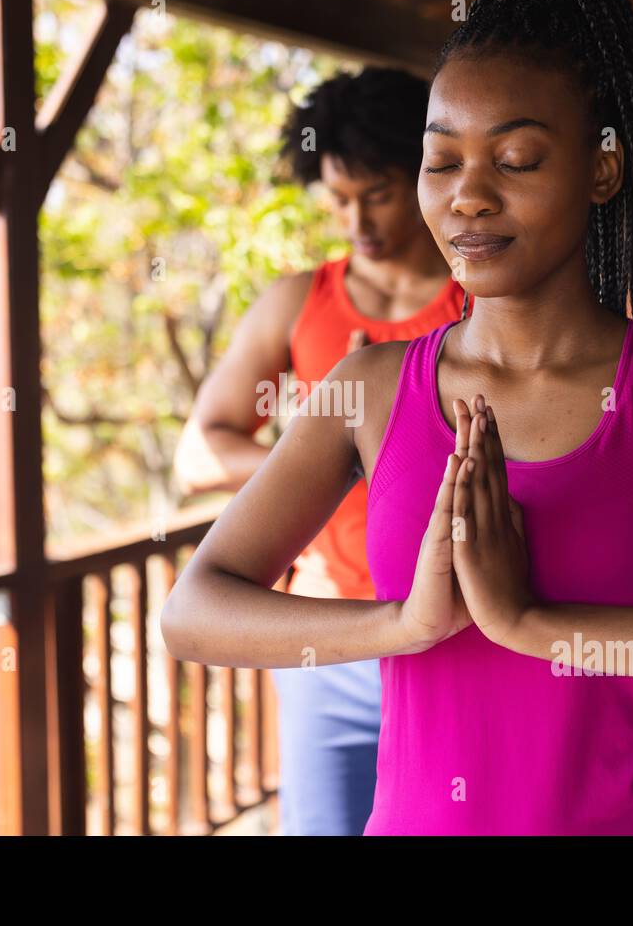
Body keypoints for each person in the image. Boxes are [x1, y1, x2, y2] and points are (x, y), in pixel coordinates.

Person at [163, 0, 633, 835]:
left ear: (604, 167)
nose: (468, 194)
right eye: (441, 160)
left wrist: (538, 625)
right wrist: (404, 623)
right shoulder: (369, 389)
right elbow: (196, 610)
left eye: (516, 160)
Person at [172, 66, 470, 835]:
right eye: (338, 198)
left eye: (376, 192)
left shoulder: (484, 302)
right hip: (328, 640)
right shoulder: (297, 302)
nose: (356, 218)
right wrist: (326, 459)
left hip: (463, 636)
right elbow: (200, 453)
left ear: (425, 172)